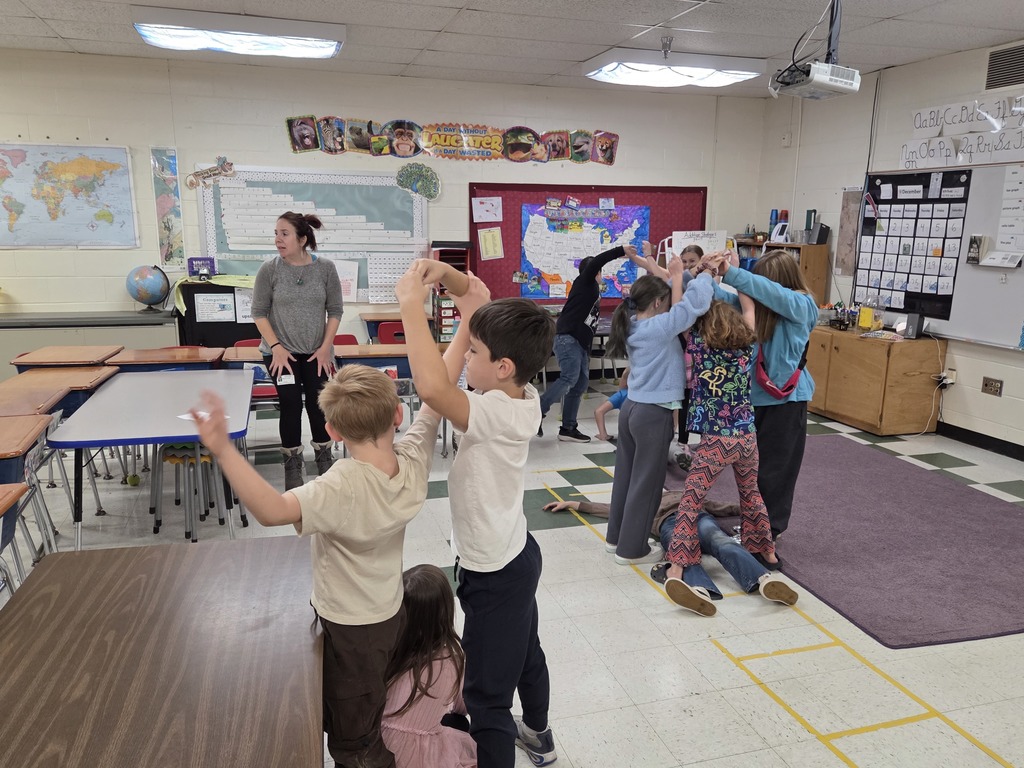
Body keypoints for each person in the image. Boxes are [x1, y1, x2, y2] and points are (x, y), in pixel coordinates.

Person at [188, 364, 444, 768]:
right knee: (365, 690)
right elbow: (433, 401)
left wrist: (222, 448)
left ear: (332, 431)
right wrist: (467, 318)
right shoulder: (412, 460)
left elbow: (273, 511)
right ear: (398, 414)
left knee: (354, 734)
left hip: (349, 625)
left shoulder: (340, 486)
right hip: (387, 610)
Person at [396, 259, 558, 768]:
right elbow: (479, 295)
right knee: (526, 651)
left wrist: (410, 307)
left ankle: (519, 738)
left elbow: (431, 390)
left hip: (494, 571)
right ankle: (540, 735)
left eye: (474, 352)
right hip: (515, 552)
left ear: (502, 366)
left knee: (487, 697)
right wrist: (445, 274)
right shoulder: (519, 393)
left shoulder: (495, 412)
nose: (467, 357)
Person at [662, 299, 780, 617]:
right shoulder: (746, 349)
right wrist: (736, 276)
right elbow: (751, 310)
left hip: (717, 440)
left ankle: (678, 564)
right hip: (747, 438)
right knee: (751, 493)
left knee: (691, 500)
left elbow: (680, 310)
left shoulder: (700, 346)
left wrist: (679, 277)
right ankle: (767, 551)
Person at [604, 258, 716, 565]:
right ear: (656, 303)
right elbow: (692, 306)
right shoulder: (658, 327)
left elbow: (674, 299)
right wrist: (706, 275)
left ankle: (616, 539)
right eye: (666, 300)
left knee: (626, 478)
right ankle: (632, 550)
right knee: (647, 483)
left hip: (631, 409)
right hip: (653, 413)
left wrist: (688, 273)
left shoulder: (635, 322)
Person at [712, 249, 818, 541]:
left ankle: (768, 530)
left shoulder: (803, 305)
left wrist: (733, 273)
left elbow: (774, 295)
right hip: (754, 401)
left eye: (762, 280)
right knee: (752, 472)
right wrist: (702, 273)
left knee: (776, 471)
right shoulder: (759, 308)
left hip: (786, 403)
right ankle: (753, 525)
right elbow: (719, 300)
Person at [542, 498, 796, 608]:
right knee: (684, 553)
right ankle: (699, 592)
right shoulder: (645, 499)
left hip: (699, 516)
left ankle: (763, 580)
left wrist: (757, 514)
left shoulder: (690, 492)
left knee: (721, 540)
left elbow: (725, 507)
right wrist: (575, 504)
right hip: (670, 523)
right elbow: (612, 509)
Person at [251, 211, 344, 490]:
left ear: (302, 239)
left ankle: (323, 455)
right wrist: (276, 348)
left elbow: (335, 310)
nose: (278, 239)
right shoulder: (270, 270)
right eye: (276, 233)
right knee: (290, 404)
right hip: (281, 353)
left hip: (318, 351)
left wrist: (326, 348)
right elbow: (258, 313)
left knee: (319, 405)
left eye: (284, 234)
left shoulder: (325, 268)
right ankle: (292, 462)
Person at [538, 242, 651, 442]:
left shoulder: (590, 289)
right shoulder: (585, 282)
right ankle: (536, 413)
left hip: (579, 343)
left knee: (579, 384)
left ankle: (568, 428)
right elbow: (598, 261)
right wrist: (621, 251)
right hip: (568, 338)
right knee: (569, 378)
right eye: (599, 272)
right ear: (595, 272)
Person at [382, 564, 477, 768]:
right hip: (418, 757)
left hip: (379, 747)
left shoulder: (387, 649)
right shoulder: (451, 659)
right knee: (460, 724)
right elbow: (463, 706)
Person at [594, 367, 629, 443]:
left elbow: (599, 411)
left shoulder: (622, 394)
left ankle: (603, 434)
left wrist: (602, 434)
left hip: (626, 433)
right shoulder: (647, 395)